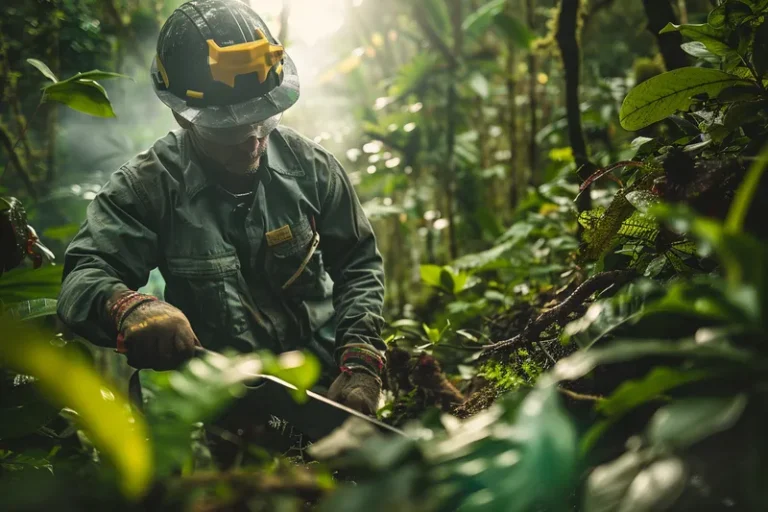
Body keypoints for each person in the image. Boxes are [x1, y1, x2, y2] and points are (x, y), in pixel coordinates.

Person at [57, 0, 386, 415]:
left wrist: (360, 360)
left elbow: (357, 262)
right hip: (212, 397)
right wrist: (130, 307)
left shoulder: (313, 170)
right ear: (184, 118)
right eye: (229, 129)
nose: (252, 141)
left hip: (321, 386)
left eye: (263, 120)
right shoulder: (147, 188)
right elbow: (83, 275)